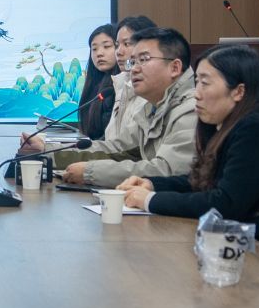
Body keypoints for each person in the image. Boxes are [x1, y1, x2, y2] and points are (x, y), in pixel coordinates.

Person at [121, 44, 259, 264]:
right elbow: (204, 182)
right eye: (196, 82)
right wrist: (152, 184)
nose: (196, 94)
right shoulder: (228, 123)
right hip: (240, 249)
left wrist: (150, 200)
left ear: (238, 92)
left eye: (205, 83)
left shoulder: (256, 129)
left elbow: (224, 204)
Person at [77, 27, 197, 189]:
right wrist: (49, 152)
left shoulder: (191, 109)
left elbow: (167, 170)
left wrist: (90, 172)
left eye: (144, 59)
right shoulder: (151, 108)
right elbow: (117, 149)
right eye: (133, 62)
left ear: (175, 68)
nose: (134, 69)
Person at [32, 15, 157, 164]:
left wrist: (86, 170)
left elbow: (124, 152)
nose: (119, 52)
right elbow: (114, 147)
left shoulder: (148, 94)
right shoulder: (119, 86)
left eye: (126, 44)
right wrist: (49, 150)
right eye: (117, 45)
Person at [75, 23, 120, 143]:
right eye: (94, 49)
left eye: (106, 46)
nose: (99, 53)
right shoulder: (95, 87)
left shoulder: (124, 86)